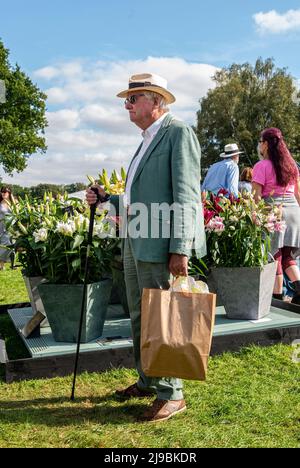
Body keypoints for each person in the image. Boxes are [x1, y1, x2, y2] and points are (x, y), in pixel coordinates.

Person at [87, 73, 206, 422]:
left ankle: (172, 394)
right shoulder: (145, 140)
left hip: (160, 243)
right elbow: (141, 197)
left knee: (163, 317)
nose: (127, 104)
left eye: (134, 97)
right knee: (141, 316)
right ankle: (148, 379)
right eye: (127, 98)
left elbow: (186, 195)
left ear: (156, 101)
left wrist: (180, 247)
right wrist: (109, 198)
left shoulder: (177, 133)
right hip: (137, 240)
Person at [252, 127, 300, 305]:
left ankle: (276, 298)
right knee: (288, 256)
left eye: (260, 142)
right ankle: (298, 289)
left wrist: (253, 216)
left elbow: (256, 196)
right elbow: (298, 193)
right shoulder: (292, 166)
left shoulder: (261, 166)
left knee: (273, 256)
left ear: (265, 144)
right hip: (294, 212)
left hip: (273, 211)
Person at [0, 186, 14, 270]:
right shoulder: (0, 202)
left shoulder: (13, 203)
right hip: (0, 225)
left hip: (9, 227)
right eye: (2, 191)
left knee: (6, 245)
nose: (3, 193)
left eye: (5, 192)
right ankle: (1, 265)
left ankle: (2, 264)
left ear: (9, 193)